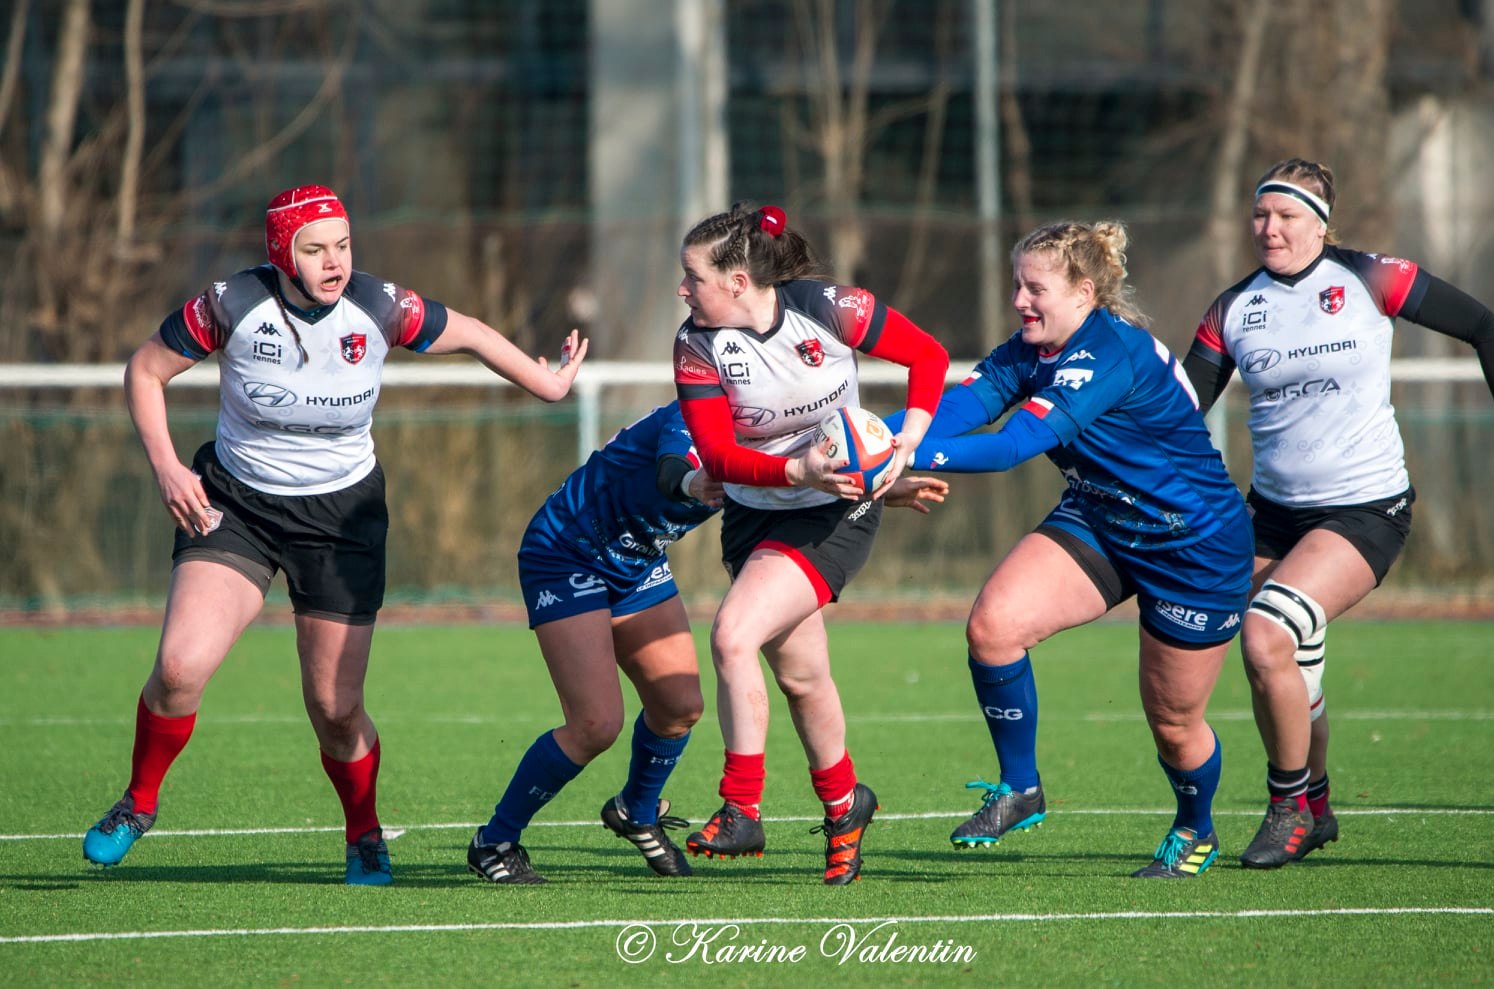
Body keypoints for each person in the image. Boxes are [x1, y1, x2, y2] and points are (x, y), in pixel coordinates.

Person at [82, 184, 589, 885]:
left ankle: (364, 834)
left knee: (335, 706)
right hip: (238, 507)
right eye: (315, 248)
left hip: (341, 521)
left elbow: (468, 331)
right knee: (178, 669)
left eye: (343, 245)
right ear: (281, 253)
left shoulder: (380, 306)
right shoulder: (231, 304)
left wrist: (547, 382)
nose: (334, 261)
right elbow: (145, 370)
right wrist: (168, 467)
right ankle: (138, 802)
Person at [1182, 157, 1494, 868]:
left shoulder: (1369, 278)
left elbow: (1486, 326)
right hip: (1271, 516)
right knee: (1290, 664)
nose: (1269, 228)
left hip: (1366, 511)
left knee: (1266, 637)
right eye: (1261, 215)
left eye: (1287, 215)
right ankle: (1318, 805)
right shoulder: (1232, 309)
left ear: (1321, 224)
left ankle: (1288, 807)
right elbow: (1179, 414)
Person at [466, 401, 949, 884]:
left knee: (679, 708)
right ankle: (495, 841)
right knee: (596, 724)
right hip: (566, 552)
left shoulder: (774, 425)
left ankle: (636, 811)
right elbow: (674, 467)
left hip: (637, 561)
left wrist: (880, 486)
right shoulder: (697, 415)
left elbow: (803, 477)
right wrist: (691, 483)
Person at [903, 220, 1253, 878]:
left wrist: (898, 451)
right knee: (994, 626)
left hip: (1194, 544)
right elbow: (961, 409)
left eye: (1034, 288)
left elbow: (1009, 447)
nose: (1019, 300)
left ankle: (1195, 827)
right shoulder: (1031, 349)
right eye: (1016, 285)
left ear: (1084, 293)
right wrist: (867, 434)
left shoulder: (1106, 356)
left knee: (1174, 722)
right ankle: (1020, 787)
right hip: (1100, 518)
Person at [672, 202, 950, 884]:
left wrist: (901, 448)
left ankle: (740, 807)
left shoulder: (830, 309)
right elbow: (718, 455)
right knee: (801, 676)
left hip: (835, 512)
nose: (683, 291)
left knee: (733, 634)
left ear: (738, 280)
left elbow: (928, 355)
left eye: (693, 277)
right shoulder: (698, 344)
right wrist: (798, 467)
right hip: (755, 514)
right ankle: (846, 804)